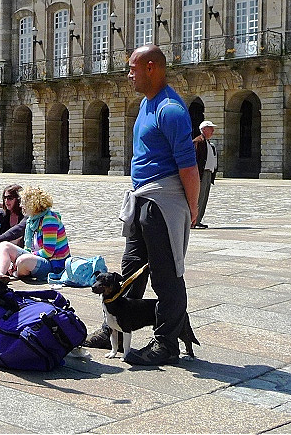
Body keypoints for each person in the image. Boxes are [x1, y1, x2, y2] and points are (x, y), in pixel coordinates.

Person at [85, 44, 199, 366]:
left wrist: (192, 211)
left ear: (151, 68)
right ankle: (115, 327)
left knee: (167, 276)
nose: (128, 74)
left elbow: (189, 167)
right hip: (141, 200)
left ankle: (166, 343)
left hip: (162, 203)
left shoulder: (170, 109)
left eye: (133, 68)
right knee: (131, 270)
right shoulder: (147, 104)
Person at [0, 186, 69, 280]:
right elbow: (28, 248)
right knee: (4, 245)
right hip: (36, 257)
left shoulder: (49, 220)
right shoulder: (31, 221)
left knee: (22, 260)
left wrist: (28, 256)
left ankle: (16, 272)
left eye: (23, 203)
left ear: (33, 205)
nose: (21, 206)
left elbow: (48, 252)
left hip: (53, 263)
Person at [193, 120, 218, 228]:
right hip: (201, 173)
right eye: (210, 128)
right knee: (199, 197)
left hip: (208, 173)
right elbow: (195, 159)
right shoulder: (198, 141)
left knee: (204, 198)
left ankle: (198, 220)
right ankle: (193, 221)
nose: (213, 130)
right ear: (203, 129)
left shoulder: (209, 143)